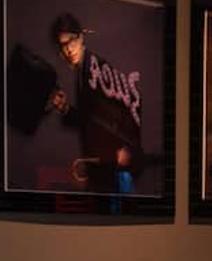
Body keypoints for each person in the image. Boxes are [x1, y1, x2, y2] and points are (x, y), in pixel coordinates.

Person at [49, 13, 144, 193]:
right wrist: (66, 108)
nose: (68, 50)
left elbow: (122, 110)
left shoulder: (95, 68)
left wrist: (126, 147)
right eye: (63, 45)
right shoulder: (82, 70)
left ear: (81, 38)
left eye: (71, 41)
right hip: (105, 167)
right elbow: (91, 119)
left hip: (116, 168)